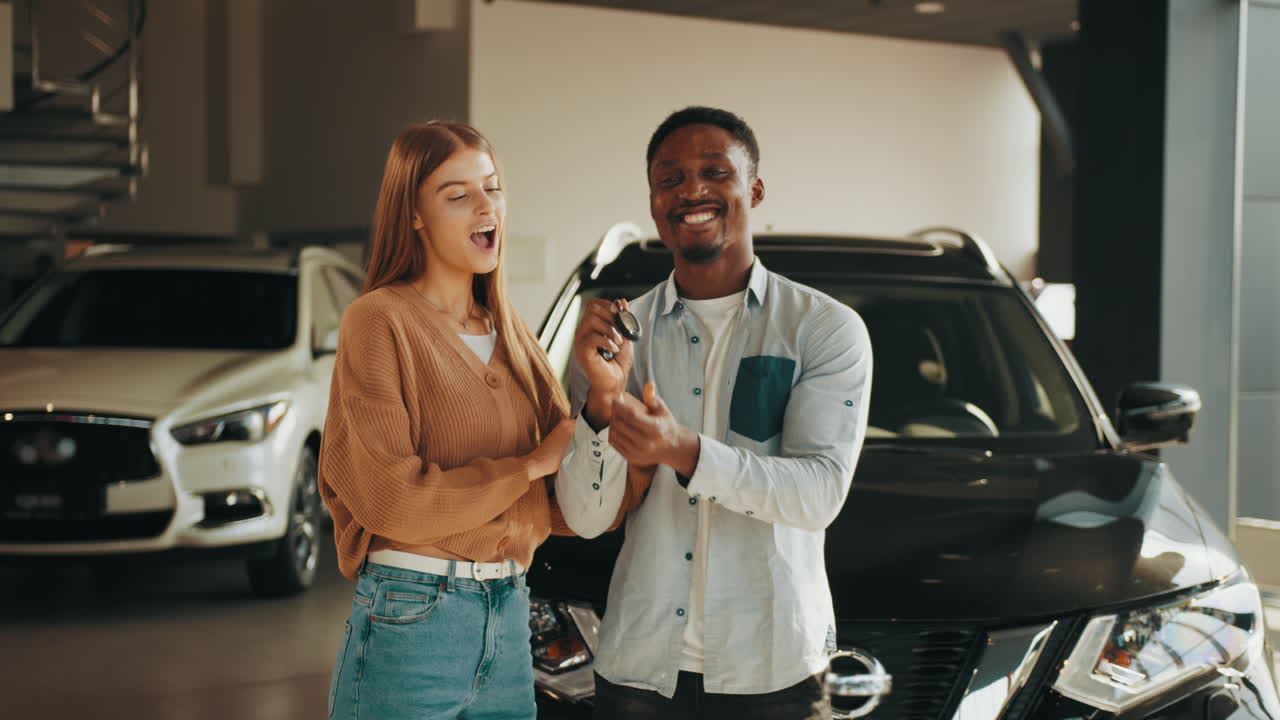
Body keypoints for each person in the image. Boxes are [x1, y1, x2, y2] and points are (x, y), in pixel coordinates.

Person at [556, 106, 873, 720]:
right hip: (640, 671)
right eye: (669, 178)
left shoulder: (824, 330)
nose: (691, 190)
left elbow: (819, 495)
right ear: (654, 202)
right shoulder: (620, 338)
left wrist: (681, 449)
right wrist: (599, 401)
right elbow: (588, 518)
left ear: (752, 189)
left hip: (775, 669)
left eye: (714, 172)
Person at [319, 120, 577, 720]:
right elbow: (393, 501)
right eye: (458, 195)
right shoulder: (379, 321)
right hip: (411, 615)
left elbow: (564, 506)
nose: (486, 206)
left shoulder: (514, 336)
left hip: (510, 616)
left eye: (492, 188)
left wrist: (611, 419)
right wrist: (530, 464)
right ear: (413, 214)